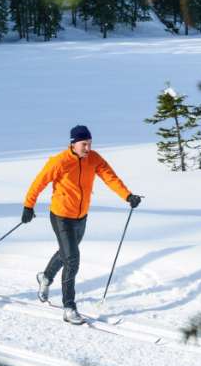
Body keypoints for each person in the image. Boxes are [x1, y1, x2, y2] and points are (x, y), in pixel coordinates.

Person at [22, 125, 141, 325]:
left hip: (81, 217)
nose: (88, 148)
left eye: (90, 144)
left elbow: (110, 178)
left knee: (66, 253)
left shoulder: (94, 159)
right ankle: (69, 307)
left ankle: (45, 277)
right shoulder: (59, 161)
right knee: (72, 260)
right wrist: (28, 206)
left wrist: (127, 196)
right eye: (84, 144)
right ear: (73, 144)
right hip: (61, 216)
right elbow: (38, 182)